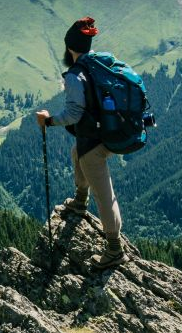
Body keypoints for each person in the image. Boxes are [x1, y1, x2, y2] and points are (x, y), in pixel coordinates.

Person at [35, 17, 126, 270]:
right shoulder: (99, 62)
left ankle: (114, 249)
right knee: (77, 152)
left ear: (69, 47)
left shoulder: (76, 75)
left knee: (104, 194)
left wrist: (49, 120)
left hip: (96, 141)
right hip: (108, 130)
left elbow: (74, 114)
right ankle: (80, 199)